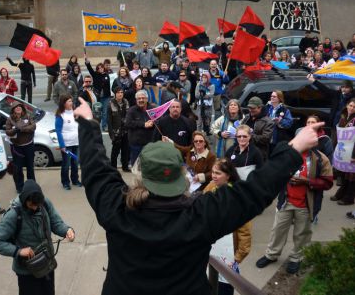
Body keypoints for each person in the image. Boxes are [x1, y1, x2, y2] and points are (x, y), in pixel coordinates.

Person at [74, 94, 325, 295]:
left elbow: (96, 170)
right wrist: (295, 148)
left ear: (141, 178)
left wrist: (87, 123)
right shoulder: (201, 214)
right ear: (181, 178)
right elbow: (254, 191)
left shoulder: (117, 209)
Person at [255, 142, 333, 275]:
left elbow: (328, 182)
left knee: (302, 234)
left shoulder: (321, 158)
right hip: (286, 201)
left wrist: (307, 181)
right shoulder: (289, 155)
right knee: (278, 230)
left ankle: (296, 258)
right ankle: (271, 255)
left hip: (306, 204)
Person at [0, 179, 75, 295]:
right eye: (31, 205)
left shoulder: (44, 204)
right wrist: (18, 251)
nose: (34, 208)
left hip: (47, 264)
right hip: (27, 272)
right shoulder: (14, 215)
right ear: (24, 200)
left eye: (37, 205)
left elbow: (55, 222)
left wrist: (67, 230)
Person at [204, 158, 252, 295]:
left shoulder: (238, 198)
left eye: (218, 173)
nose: (213, 176)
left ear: (228, 175)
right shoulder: (211, 187)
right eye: (213, 172)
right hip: (209, 251)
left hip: (228, 256)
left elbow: (245, 233)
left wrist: (236, 259)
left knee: (224, 289)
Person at [5, 102, 36, 193]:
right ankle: (20, 187)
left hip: (29, 145)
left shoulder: (28, 116)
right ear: (13, 109)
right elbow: (8, 131)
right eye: (16, 107)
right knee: (18, 169)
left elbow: (33, 126)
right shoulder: (10, 119)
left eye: (20, 107)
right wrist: (14, 130)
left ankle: (32, 185)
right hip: (17, 148)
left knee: (30, 167)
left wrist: (22, 129)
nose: (18, 108)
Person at [330, 98, 355, 205]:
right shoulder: (343, 117)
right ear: (347, 105)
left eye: (354, 107)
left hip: (353, 150)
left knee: (352, 174)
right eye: (351, 105)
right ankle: (342, 192)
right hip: (344, 149)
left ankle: (349, 197)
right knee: (345, 173)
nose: (352, 108)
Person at [55, 95, 81, 190]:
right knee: (66, 164)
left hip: (76, 143)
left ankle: (75, 180)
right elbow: (58, 131)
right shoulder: (60, 115)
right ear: (64, 103)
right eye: (69, 101)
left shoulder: (75, 113)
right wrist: (62, 145)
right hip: (66, 145)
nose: (71, 103)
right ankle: (65, 182)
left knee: (75, 163)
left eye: (71, 101)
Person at [125, 90, 154, 165]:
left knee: (149, 165)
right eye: (139, 98)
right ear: (136, 100)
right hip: (136, 144)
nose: (141, 100)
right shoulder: (131, 110)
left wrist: (153, 123)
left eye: (143, 98)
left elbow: (159, 121)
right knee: (135, 166)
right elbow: (128, 123)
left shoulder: (153, 109)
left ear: (147, 99)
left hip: (149, 144)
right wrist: (143, 124)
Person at [241, 96, 274, 160]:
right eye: (249, 108)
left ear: (260, 108)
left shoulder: (268, 122)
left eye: (253, 108)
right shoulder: (247, 117)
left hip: (258, 155)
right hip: (243, 152)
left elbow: (265, 139)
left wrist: (249, 136)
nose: (250, 110)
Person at [85, 54, 111, 131]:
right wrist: (87, 62)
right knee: (96, 112)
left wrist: (102, 76)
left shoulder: (106, 75)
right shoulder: (95, 74)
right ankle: (95, 126)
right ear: (97, 69)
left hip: (106, 96)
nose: (100, 69)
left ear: (103, 68)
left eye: (101, 68)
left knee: (105, 112)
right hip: (97, 96)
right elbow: (90, 69)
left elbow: (105, 82)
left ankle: (104, 126)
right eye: (99, 68)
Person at [107, 87, 130, 172]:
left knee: (125, 151)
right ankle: (113, 168)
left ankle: (125, 167)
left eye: (122, 92)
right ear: (115, 94)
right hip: (115, 132)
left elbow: (128, 116)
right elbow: (109, 121)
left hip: (125, 131)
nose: (120, 94)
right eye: (118, 92)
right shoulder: (110, 103)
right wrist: (111, 134)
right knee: (115, 152)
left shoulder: (126, 102)